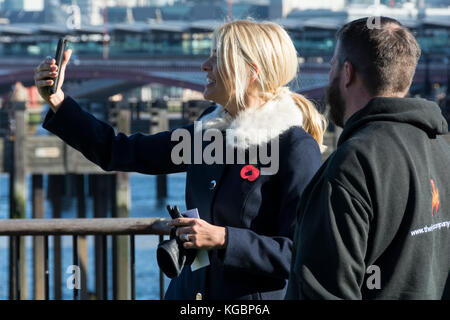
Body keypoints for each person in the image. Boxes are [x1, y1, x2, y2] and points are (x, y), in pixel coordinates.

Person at [34, 20, 327, 299]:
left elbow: (304, 254)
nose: (205, 65)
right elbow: (120, 151)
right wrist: (59, 102)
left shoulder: (295, 148)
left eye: (217, 57)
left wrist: (225, 239)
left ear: (251, 71)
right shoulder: (207, 133)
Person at [286, 17, 450, 300]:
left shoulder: (352, 165)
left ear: (347, 73)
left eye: (333, 66)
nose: (329, 75)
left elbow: (321, 291)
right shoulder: (442, 147)